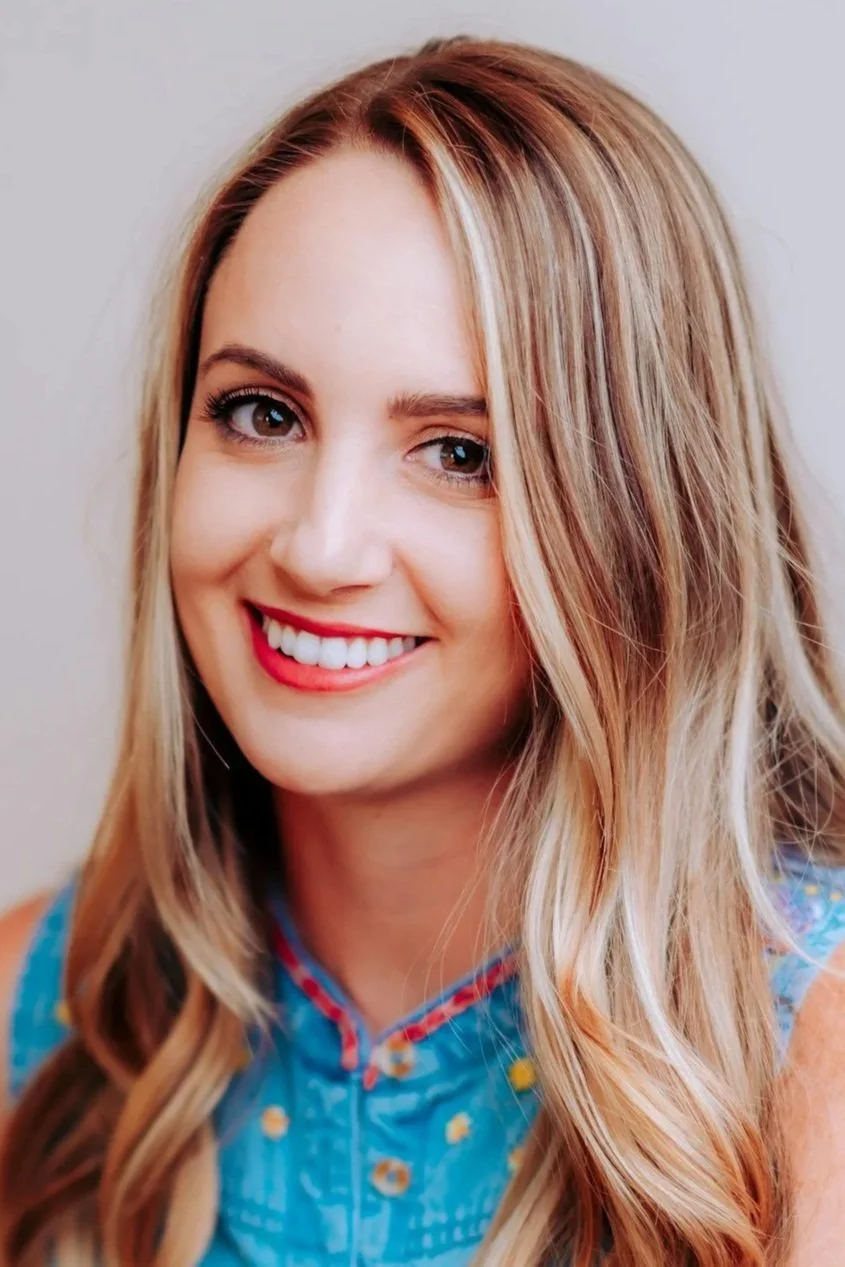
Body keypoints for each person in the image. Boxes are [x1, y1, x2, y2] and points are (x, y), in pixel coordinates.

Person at [2, 31, 845, 1267]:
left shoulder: (811, 1060)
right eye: (262, 413)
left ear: (635, 523)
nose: (319, 543)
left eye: (459, 452)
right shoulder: (39, 1004)